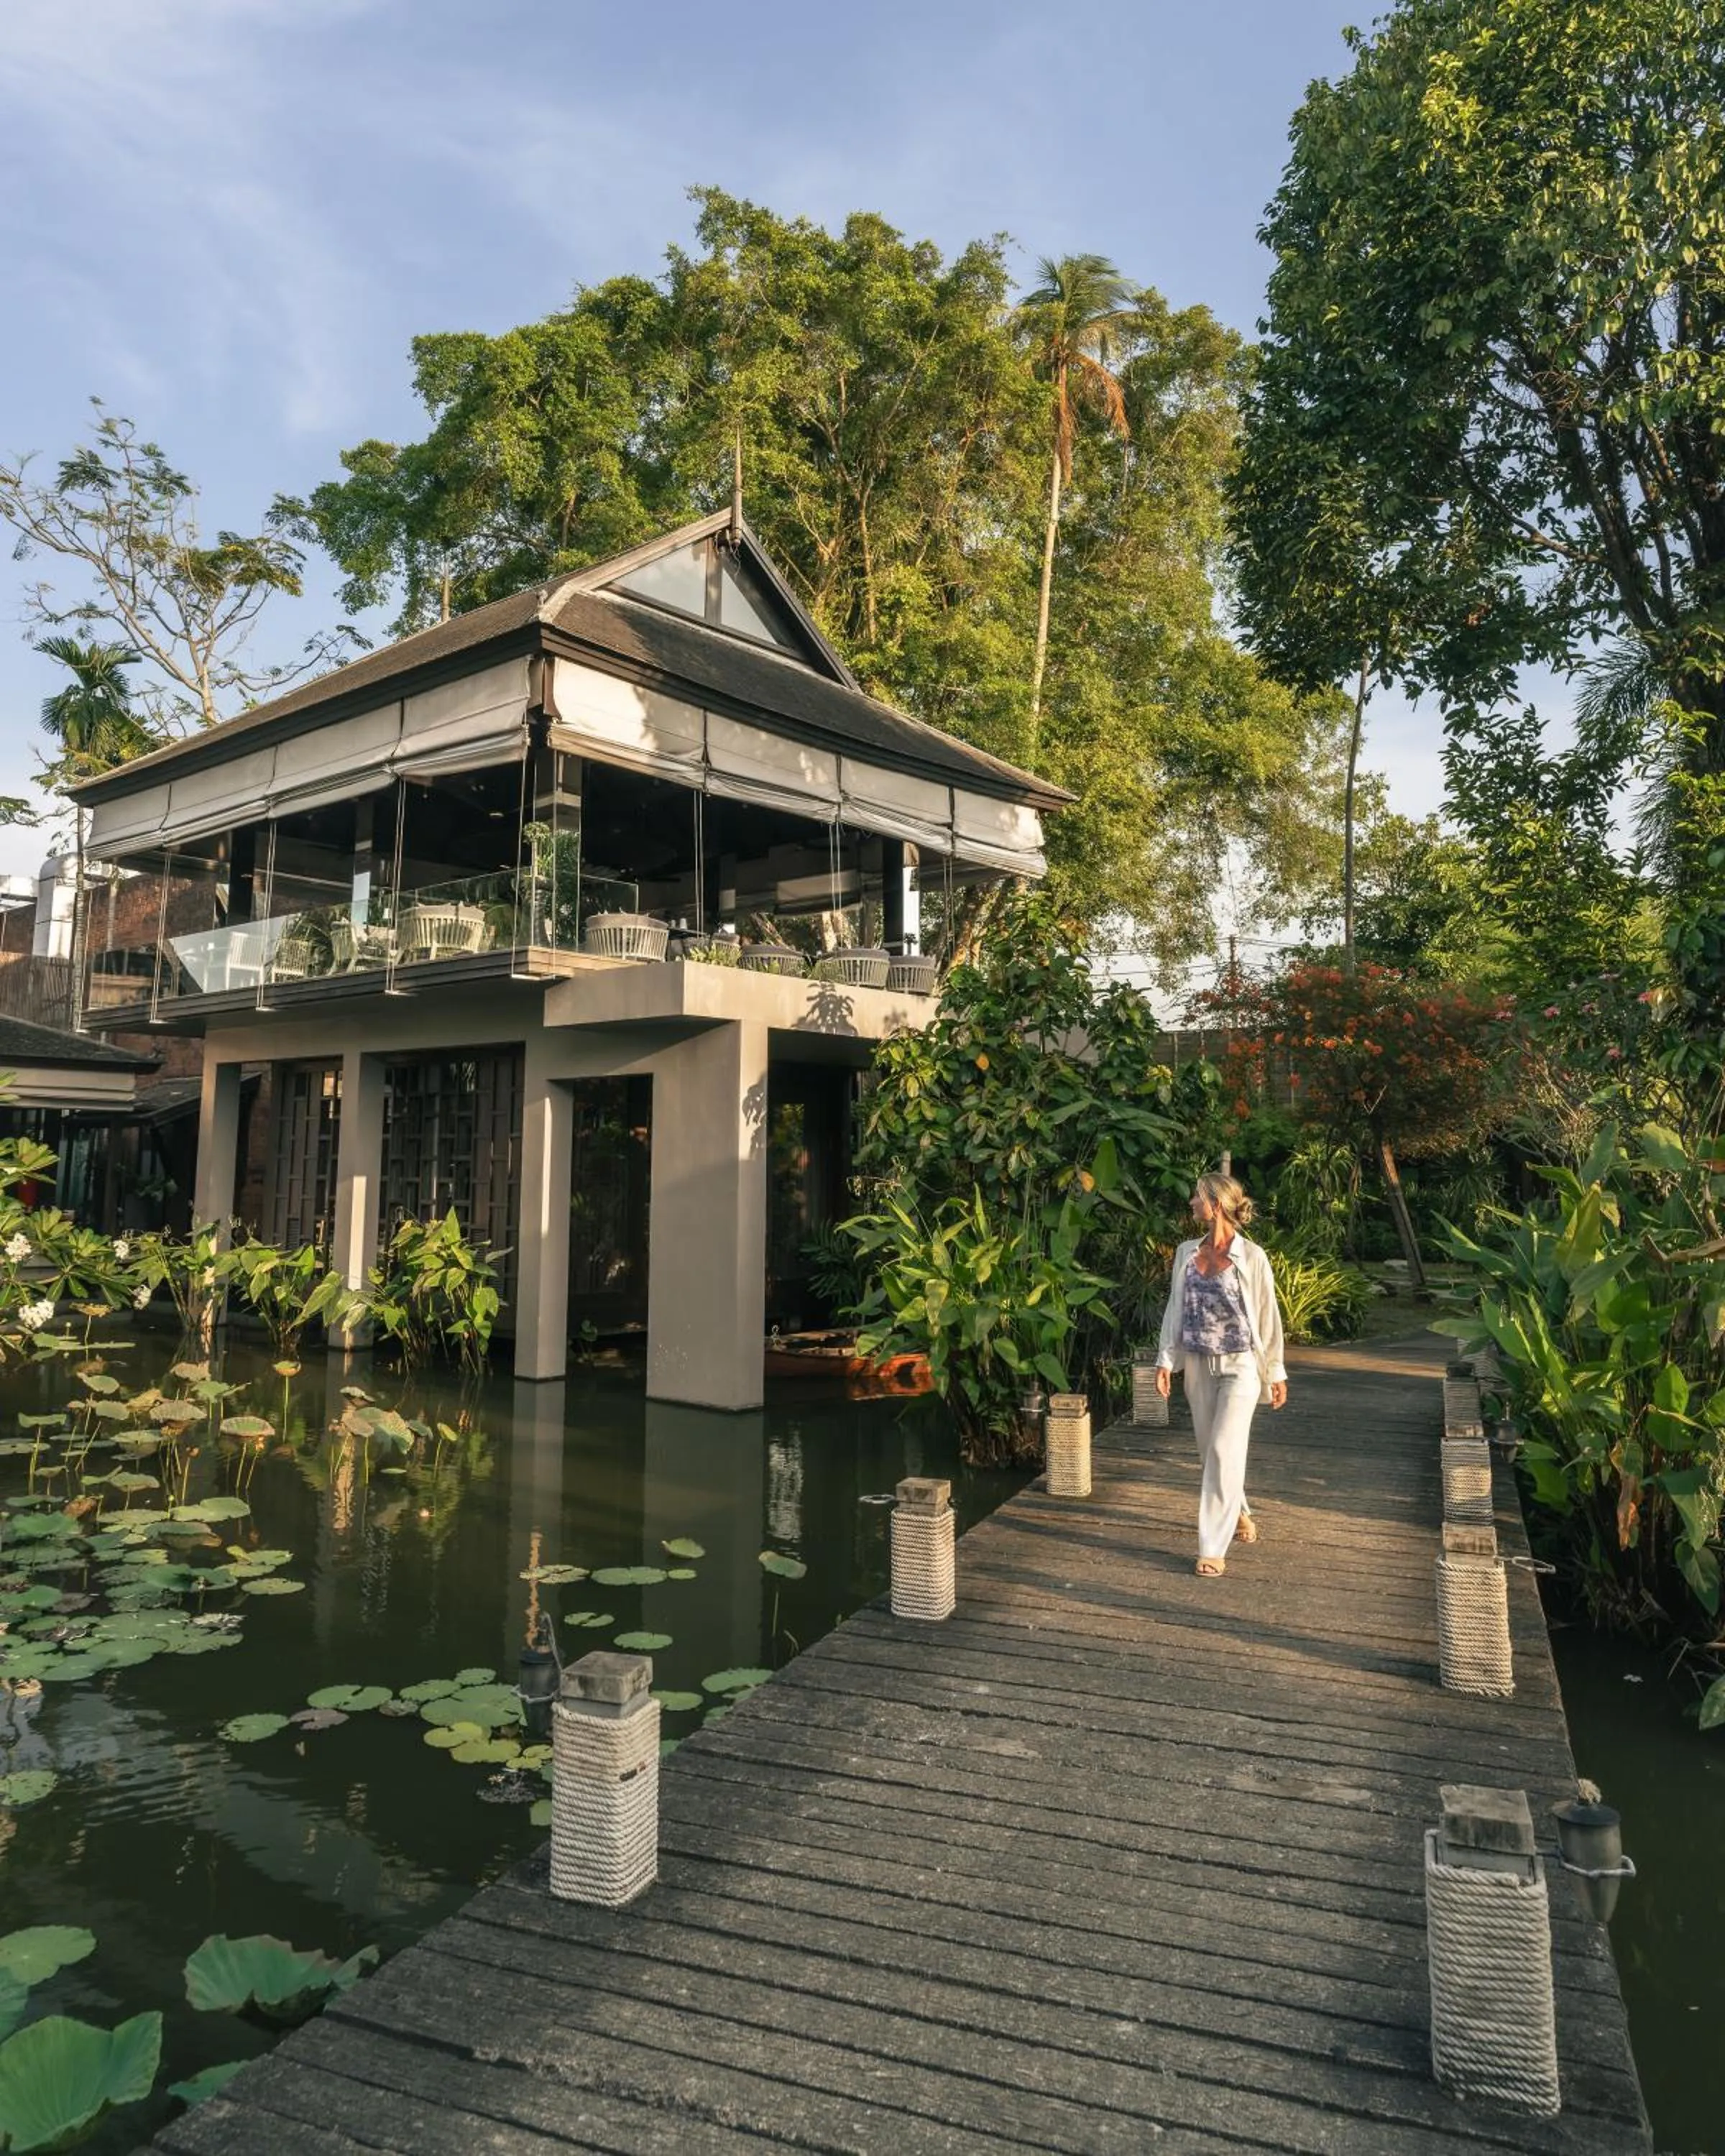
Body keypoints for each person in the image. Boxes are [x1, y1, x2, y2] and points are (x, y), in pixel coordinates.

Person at [1154, 1172, 1288, 1577]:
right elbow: (1175, 1309)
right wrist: (1165, 1360)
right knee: (1208, 1450)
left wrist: (1275, 1370)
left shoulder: (1253, 1257)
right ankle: (1240, 1509)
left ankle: (1212, 1547)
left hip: (1241, 1366)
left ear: (1215, 1204)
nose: (1191, 1203)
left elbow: (1268, 1316)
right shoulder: (1186, 1252)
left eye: (1197, 1197)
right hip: (1198, 1365)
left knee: (1223, 1449)